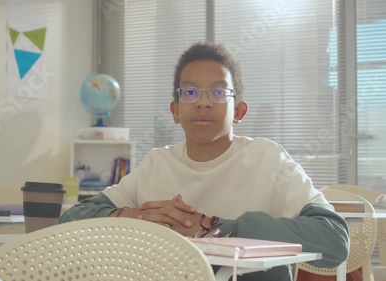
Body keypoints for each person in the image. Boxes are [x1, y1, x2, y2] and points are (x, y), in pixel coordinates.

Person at [60, 41, 350, 281]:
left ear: (238, 111)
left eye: (218, 91)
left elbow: (335, 238)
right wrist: (129, 216)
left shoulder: (268, 160)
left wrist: (218, 228)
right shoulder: (157, 164)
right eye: (190, 92)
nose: (203, 102)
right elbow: (72, 218)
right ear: (175, 110)